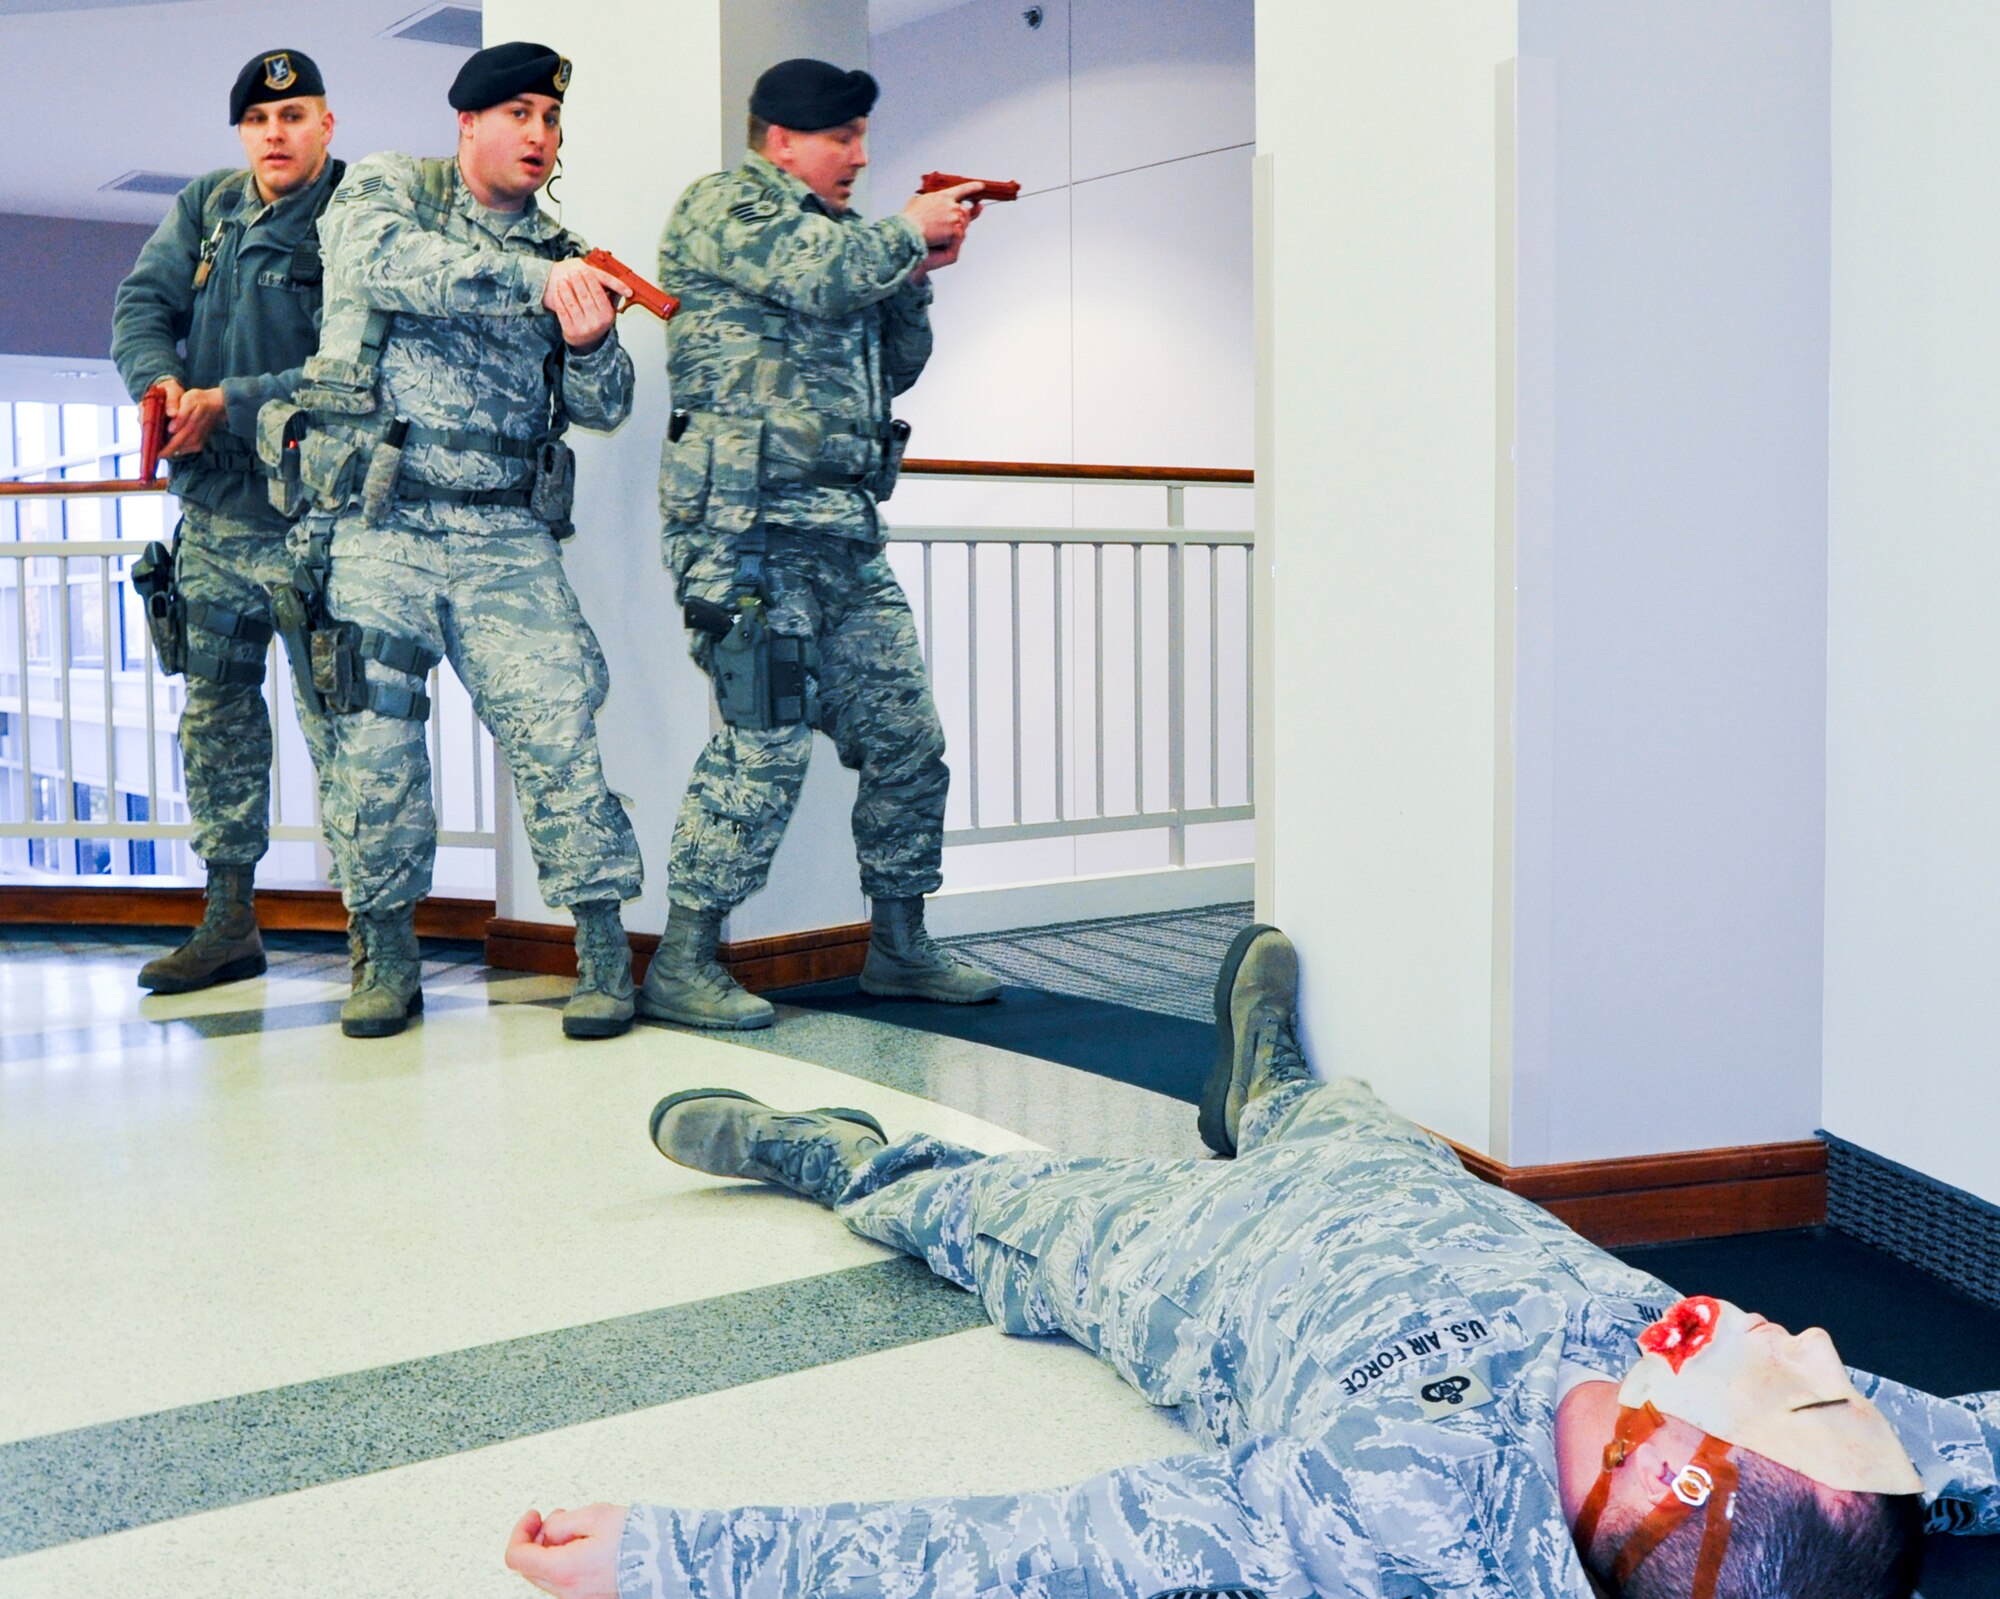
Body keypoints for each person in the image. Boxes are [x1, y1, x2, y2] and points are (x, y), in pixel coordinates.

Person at [504, 927, 2000, 1599]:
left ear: (1672, 1476)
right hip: (1399, 1178)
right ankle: (1269, 1087)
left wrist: (674, 1557)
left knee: (999, 1215)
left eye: (1803, 1387)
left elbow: (1019, 1555)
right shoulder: (1851, 1470)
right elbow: (1978, 1433)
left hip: (1202, 1269)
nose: (1820, 1343)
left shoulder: (1378, 1519)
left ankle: (838, 1158)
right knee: (1339, 1113)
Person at [278, 41, 643, 1039]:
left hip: (501, 538)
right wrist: (533, 285)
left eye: (549, 119)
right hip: (380, 526)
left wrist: (590, 336)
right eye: (517, 113)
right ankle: (383, 954)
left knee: (560, 732)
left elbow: (605, 402)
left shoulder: (567, 252)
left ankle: (603, 949)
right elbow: (377, 265)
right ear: (469, 124)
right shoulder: (396, 190)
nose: (537, 134)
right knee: (373, 748)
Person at [641, 57, 1002, 1031]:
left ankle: (898, 949)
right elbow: (816, 277)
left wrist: (913, 278)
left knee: (907, 744)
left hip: (841, 535)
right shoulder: (724, 209)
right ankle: (681, 961)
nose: (858, 154)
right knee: (762, 750)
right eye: (841, 137)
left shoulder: (850, 238)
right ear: (781, 140)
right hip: (746, 537)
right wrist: (901, 236)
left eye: (860, 137)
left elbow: (898, 364)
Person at [111, 48, 344, 994]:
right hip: (212, 521)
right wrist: (160, 383)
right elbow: (141, 305)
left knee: (349, 728)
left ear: (328, 124)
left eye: (294, 118)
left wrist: (232, 400)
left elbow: (352, 364)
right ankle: (229, 920)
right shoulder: (210, 206)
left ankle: (380, 942)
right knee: (215, 720)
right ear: (243, 133)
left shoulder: (356, 216)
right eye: (258, 122)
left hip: (314, 524)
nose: (275, 135)